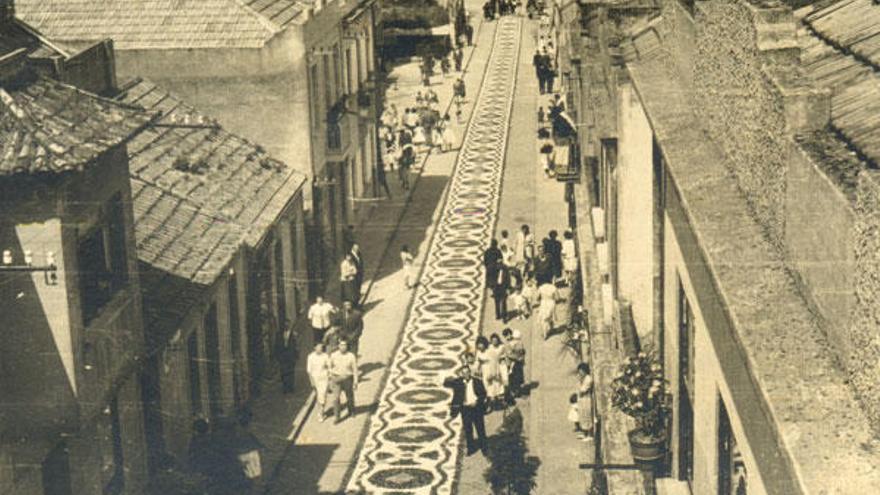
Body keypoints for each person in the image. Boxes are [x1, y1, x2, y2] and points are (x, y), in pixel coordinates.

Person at [443, 364, 488, 455]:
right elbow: (447, 383)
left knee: (480, 429)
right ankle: (471, 449)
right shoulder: (458, 382)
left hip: (476, 408)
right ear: (461, 374)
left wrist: (477, 401)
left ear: (470, 373)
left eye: (467, 372)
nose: (466, 375)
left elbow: (483, 394)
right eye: (464, 373)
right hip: (465, 409)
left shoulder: (477, 381)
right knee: (468, 429)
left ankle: (484, 448)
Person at [329, 339, 358, 423]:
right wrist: (331, 377)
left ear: (347, 346)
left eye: (344, 345)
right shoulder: (333, 355)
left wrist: (355, 381)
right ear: (338, 346)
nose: (343, 347)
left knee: (349, 396)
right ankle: (337, 416)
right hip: (336, 379)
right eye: (341, 345)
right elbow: (329, 367)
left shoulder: (351, 356)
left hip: (347, 378)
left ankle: (351, 411)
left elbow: (355, 369)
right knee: (336, 398)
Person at [477, 335, 505, 410]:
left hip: (490, 370)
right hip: (483, 370)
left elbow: (494, 363)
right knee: (485, 387)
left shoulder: (490, 352)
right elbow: (478, 362)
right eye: (478, 344)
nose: (480, 346)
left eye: (481, 344)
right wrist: (477, 370)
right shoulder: (478, 352)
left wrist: (492, 374)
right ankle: (490, 403)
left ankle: (494, 404)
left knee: (492, 388)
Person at [307, 342, 331, 422]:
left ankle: (321, 413)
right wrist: (312, 381)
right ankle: (320, 411)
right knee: (318, 395)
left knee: (323, 395)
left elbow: (329, 367)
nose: (319, 349)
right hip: (315, 378)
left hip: (324, 378)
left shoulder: (325, 356)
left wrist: (330, 377)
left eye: (321, 347)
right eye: (318, 347)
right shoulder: (310, 357)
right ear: (314, 348)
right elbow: (309, 370)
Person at [275, 325, 297, 394]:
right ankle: (285, 387)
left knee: (291, 372)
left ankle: (291, 387)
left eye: (287, 325)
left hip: (291, 356)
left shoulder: (293, 334)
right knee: (283, 373)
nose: (286, 326)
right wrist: (277, 356)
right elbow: (276, 345)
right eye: (284, 325)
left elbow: (296, 346)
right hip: (282, 357)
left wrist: (295, 356)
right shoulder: (279, 334)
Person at [504, 328, 526, 397]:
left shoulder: (517, 341)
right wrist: (518, 357)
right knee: (512, 378)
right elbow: (509, 354)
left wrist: (521, 357)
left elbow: (522, 351)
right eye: (506, 336)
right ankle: (514, 391)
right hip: (511, 364)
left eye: (509, 334)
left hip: (518, 363)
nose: (508, 336)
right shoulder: (507, 344)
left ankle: (518, 391)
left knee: (518, 377)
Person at [577, 362, 594, 437]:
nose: (580, 373)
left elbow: (582, 390)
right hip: (582, 400)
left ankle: (589, 435)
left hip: (586, 399)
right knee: (583, 415)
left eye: (581, 371)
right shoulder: (583, 378)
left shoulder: (588, 379)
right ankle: (585, 433)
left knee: (587, 416)